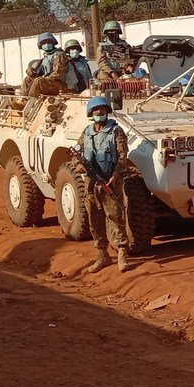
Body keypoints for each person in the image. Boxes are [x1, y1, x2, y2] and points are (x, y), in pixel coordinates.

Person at [76, 96, 131, 273]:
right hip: (91, 183)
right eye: (96, 110)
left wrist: (114, 176)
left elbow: (123, 156)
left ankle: (122, 252)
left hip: (110, 180)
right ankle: (102, 254)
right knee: (94, 218)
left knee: (115, 216)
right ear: (91, 113)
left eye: (103, 109)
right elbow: (77, 152)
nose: (100, 112)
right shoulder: (87, 132)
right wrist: (79, 166)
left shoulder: (116, 131)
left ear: (108, 112)